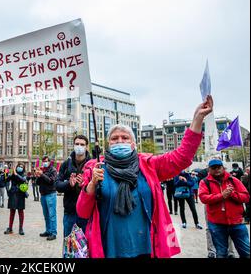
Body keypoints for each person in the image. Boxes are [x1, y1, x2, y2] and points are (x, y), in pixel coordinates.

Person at [76, 95, 213, 258]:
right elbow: (82, 212)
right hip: (109, 248)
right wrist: (92, 184)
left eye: (125, 138)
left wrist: (197, 119)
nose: (120, 141)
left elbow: (181, 157)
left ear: (133, 144)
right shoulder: (95, 167)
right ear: (108, 144)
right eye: (114, 139)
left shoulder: (149, 164)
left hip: (146, 247)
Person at [199, 158, 250, 258]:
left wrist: (232, 194)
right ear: (209, 169)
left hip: (237, 223)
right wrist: (221, 195)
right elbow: (203, 198)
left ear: (223, 168)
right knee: (221, 253)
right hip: (217, 224)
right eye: (214, 168)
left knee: (246, 252)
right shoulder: (204, 182)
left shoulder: (234, 180)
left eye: (219, 167)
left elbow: (246, 197)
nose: (217, 169)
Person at [56, 135, 91, 238]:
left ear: (86, 147)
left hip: (87, 213)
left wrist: (85, 185)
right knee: (69, 247)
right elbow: (57, 185)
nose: (79, 146)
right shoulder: (66, 164)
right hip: (70, 212)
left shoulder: (92, 164)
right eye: (77, 144)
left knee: (87, 248)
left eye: (82, 144)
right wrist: (69, 184)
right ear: (73, 145)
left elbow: (99, 189)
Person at [36, 156, 58, 241]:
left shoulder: (53, 170)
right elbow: (38, 183)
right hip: (43, 195)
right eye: (43, 161)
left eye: (46, 161)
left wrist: (42, 175)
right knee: (46, 215)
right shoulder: (42, 170)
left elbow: (51, 181)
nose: (45, 162)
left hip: (51, 194)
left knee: (52, 215)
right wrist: (38, 176)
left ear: (49, 162)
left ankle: (53, 233)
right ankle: (48, 230)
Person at [4, 163, 28, 236]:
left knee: (20, 211)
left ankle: (21, 228)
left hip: (20, 194)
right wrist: (8, 173)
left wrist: (16, 174)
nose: (20, 168)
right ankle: (10, 228)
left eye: (21, 167)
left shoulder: (24, 174)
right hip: (13, 194)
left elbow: (23, 180)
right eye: (19, 166)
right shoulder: (13, 174)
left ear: (23, 168)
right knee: (12, 211)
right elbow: (6, 180)